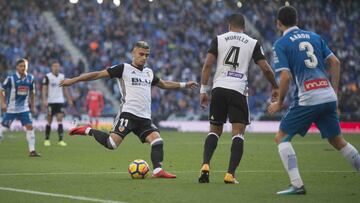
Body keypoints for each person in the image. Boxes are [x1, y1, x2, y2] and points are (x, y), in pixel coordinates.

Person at [60, 41, 198, 178]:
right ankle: (87, 129)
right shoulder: (123, 68)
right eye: (141, 54)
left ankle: (158, 171)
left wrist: (184, 84)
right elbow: (97, 75)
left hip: (144, 117)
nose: (144, 57)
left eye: (147, 55)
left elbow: (164, 84)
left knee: (157, 141)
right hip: (128, 114)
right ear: (133, 53)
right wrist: (73, 80)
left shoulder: (149, 72)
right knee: (112, 144)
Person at [268, 5, 360, 195]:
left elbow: (285, 77)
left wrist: (279, 103)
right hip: (327, 95)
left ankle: (297, 184)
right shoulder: (315, 37)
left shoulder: (281, 43)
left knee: (282, 138)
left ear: (278, 23)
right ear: (297, 20)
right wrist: (334, 92)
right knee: (338, 141)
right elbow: (335, 62)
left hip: (308, 97)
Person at [198, 13, 279, 184]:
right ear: (244, 26)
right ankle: (230, 174)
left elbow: (207, 65)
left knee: (214, 131)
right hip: (238, 90)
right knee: (238, 134)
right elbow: (265, 68)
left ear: (229, 25)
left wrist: (203, 90)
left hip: (219, 88)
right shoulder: (252, 42)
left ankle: (205, 165)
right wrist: (275, 86)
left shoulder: (219, 39)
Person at [0, 58, 40, 157]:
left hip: (24, 109)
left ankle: (32, 151)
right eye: (21, 66)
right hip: (11, 109)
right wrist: (3, 103)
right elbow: (2, 90)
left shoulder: (30, 78)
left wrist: (33, 105)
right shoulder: (11, 78)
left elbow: (32, 93)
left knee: (30, 127)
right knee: (3, 128)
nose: (23, 68)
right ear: (17, 67)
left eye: (25, 66)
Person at [42, 60, 73, 147]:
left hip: (60, 101)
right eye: (54, 66)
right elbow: (44, 89)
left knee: (60, 119)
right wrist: (44, 100)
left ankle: (60, 140)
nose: (56, 68)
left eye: (57, 66)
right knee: (49, 120)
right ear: (52, 67)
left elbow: (65, 89)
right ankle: (47, 139)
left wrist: (69, 99)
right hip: (51, 101)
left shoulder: (62, 77)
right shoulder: (47, 77)